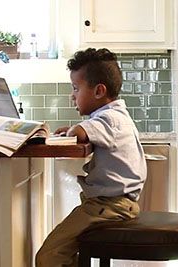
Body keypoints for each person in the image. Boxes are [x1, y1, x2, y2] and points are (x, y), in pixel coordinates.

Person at [35, 48, 147, 267]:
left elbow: (80, 132)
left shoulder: (109, 118)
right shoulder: (113, 116)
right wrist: (76, 128)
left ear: (98, 91)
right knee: (62, 251)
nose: (72, 96)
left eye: (76, 88)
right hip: (114, 204)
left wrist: (74, 129)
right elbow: (88, 129)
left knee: (48, 255)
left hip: (109, 207)